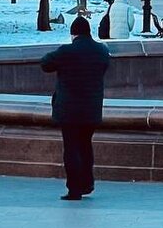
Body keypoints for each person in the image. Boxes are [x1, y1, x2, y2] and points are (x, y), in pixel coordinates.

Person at [40, 16, 111, 201]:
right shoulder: (101, 51)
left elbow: (45, 63)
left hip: (69, 110)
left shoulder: (66, 51)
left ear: (74, 34)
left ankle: (74, 189)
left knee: (71, 148)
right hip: (91, 109)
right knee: (85, 145)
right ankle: (87, 183)